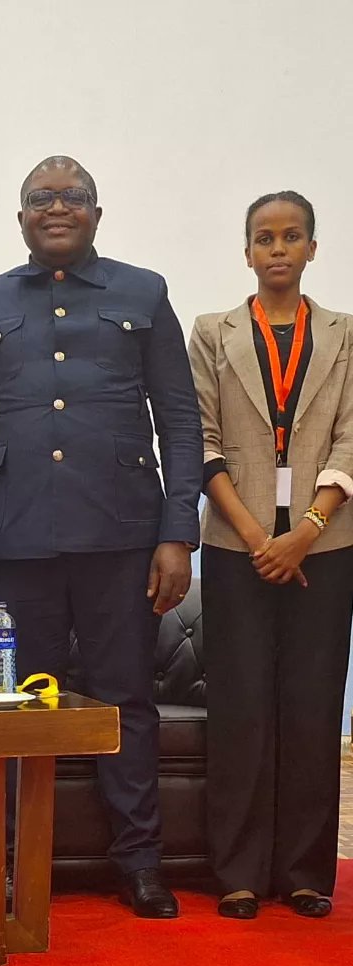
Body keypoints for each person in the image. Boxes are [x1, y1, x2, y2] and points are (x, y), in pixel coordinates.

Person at [0, 156, 202, 918]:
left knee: (126, 700)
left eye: (73, 197)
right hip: (19, 540)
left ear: (97, 212)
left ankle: (140, 861)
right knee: (18, 704)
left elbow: (179, 420)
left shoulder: (142, 293)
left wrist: (177, 532)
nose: (57, 207)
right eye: (40, 199)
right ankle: (18, 860)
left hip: (123, 533)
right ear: (19, 217)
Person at [189, 191, 353, 920]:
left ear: (313, 248)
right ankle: (238, 872)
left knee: (314, 709)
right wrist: (261, 539)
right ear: (247, 252)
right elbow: (201, 441)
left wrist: (306, 529)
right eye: (264, 238)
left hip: (328, 547)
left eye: (292, 237)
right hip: (236, 549)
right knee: (241, 707)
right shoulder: (211, 333)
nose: (277, 249)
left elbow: (351, 440)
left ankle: (307, 872)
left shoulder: (347, 336)